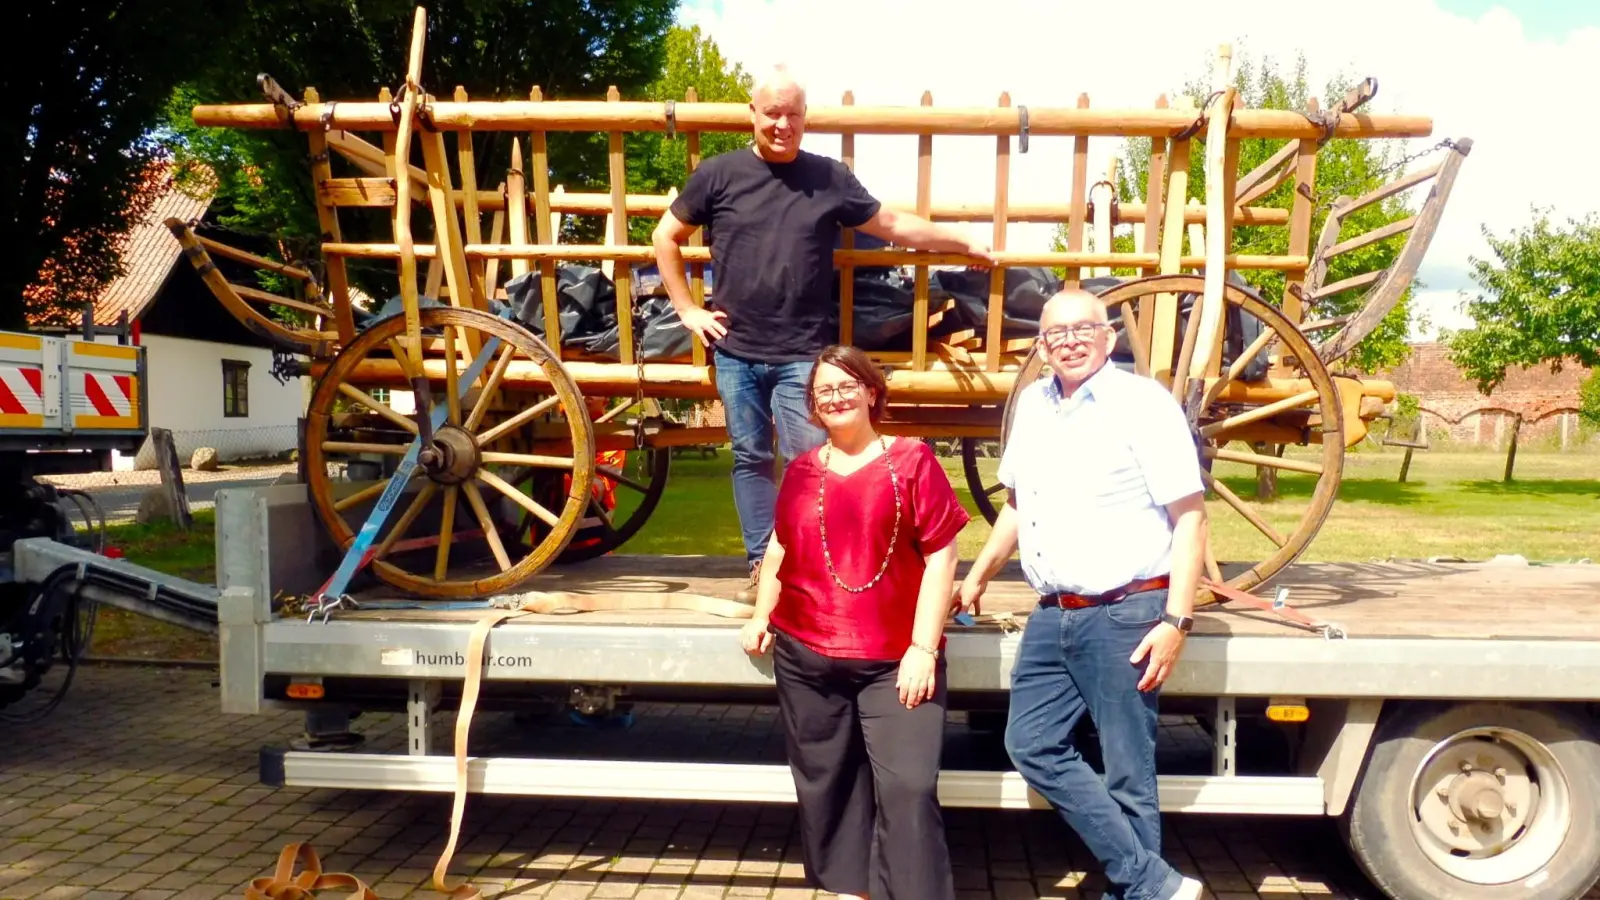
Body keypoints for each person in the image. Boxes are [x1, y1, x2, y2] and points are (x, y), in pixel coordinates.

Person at [652, 64, 992, 599]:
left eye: (792, 114)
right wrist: (687, 310)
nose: (782, 124)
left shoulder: (829, 177)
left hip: (802, 355)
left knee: (811, 463)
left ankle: (812, 567)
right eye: (772, 113)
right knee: (750, 458)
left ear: (805, 118)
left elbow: (893, 226)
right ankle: (763, 566)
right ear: (753, 115)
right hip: (735, 349)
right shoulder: (719, 174)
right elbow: (665, 237)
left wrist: (961, 242)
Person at [957, 290, 1207, 900]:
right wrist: (981, 571)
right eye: (1054, 333)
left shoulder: (1143, 405)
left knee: (1128, 771)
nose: (1068, 341)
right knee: (1031, 742)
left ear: (1108, 337)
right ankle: (1153, 882)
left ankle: (1141, 889)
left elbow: (1191, 516)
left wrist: (1177, 620)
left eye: (1081, 329)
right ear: (1041, 346)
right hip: (1053, 612)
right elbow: (1017, 503)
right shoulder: (1035, 407)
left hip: (1127, 612)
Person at [738, 344, 970, 900]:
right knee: (827, 784)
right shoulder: (799, 470)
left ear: (870, 392)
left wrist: (923, 646)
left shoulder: (913, 459)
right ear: (813, 407)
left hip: (895, 660)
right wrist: (760, 615)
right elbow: (778, 550)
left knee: (910, 787)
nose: (836, 398)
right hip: (806, 655)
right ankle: (851, 890)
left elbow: (943, 554)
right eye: (824, 391)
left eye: (847, 386)